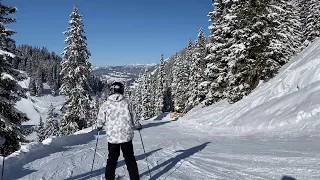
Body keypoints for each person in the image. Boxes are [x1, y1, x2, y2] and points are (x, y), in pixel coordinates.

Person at [97, 81, 142, 180]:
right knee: (130, 159)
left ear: (112, 91)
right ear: (122, 90)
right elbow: (134, 117)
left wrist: (99, 126)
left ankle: (109, 178)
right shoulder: (127, 103)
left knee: (112, 159)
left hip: (113, 137)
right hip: (126, 136)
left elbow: (100, 118)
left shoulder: (106, 104)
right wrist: (138, 126)